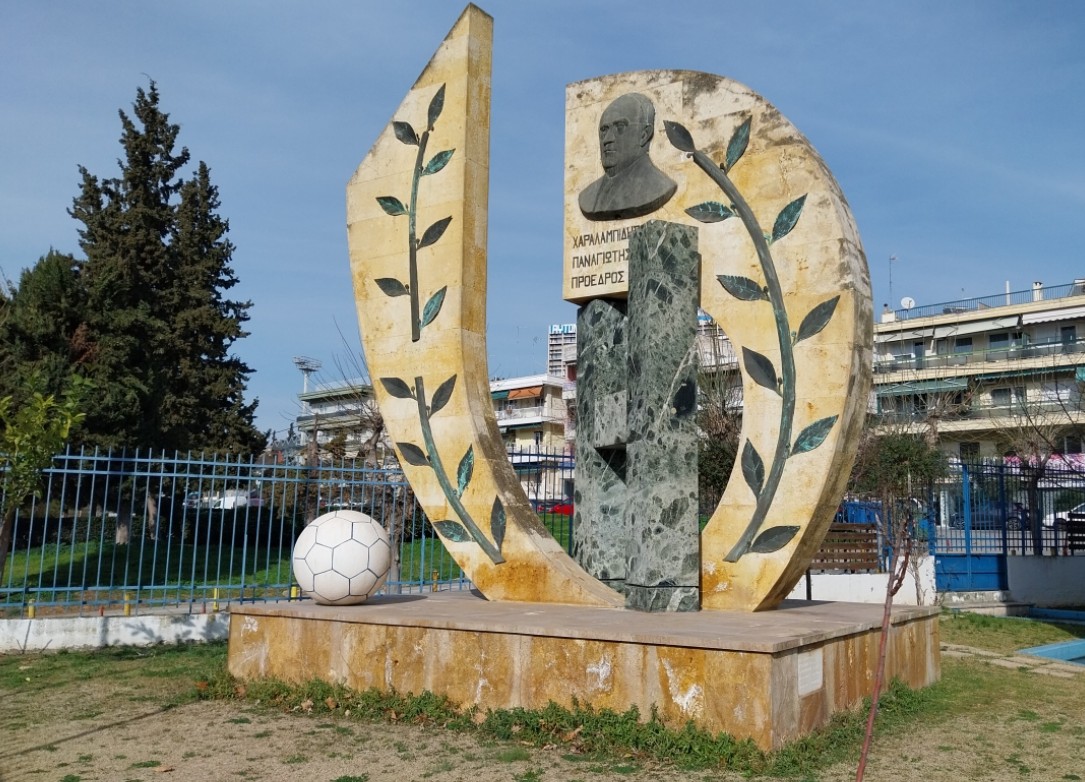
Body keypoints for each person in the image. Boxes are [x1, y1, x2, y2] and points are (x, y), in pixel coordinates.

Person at [578, 93, 677, 221]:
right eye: (604, 130)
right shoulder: (587, 196)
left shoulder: (659, 186)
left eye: (619, 127)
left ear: (644, 135)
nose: (607, 139)